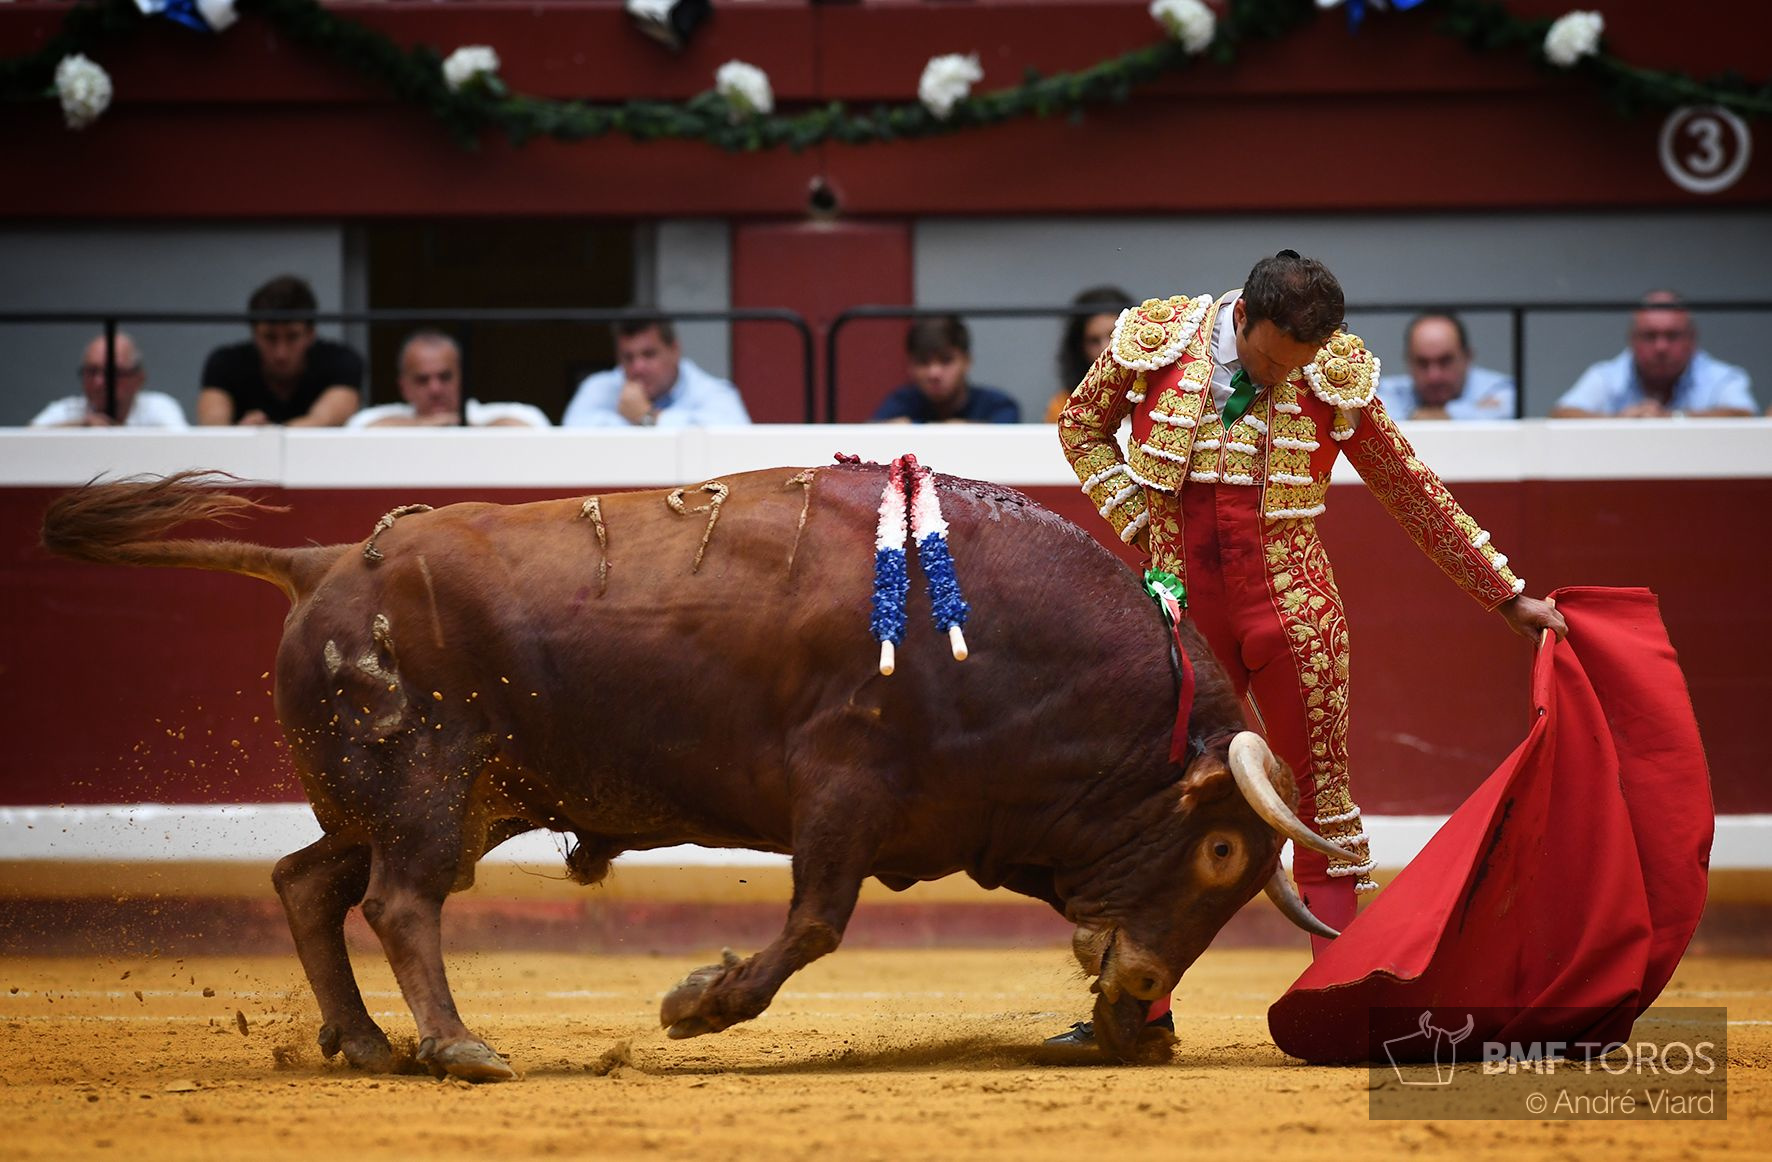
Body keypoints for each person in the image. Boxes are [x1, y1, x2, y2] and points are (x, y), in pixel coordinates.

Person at [1053, 250, 1566, 1047]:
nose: (1282, 379)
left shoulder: (1330, 369)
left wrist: (1502, 593)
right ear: (1243, 318)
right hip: (1182, 613)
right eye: (1269, 362)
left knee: (1322, 805)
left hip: (1293, 612)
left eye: (1298, 365)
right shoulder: (1158, 337)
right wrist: (1138, 521)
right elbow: (1081, 426)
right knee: (1165, 804)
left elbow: (1408, 485)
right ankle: (1139, 1014)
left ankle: (1340, 1008)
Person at [1552, 291, 1755, 418]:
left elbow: (1744, 415)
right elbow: (1562, 415)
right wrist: (1619, 422)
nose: (1661, 347)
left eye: (1672, 336)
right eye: (1650, 336)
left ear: (1692, 340)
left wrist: (1672, 418)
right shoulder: (1605, 376)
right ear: (1632, 340)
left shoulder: (1723, 377)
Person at [197, 275, 363, 427]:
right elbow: (214, 426)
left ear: (311, 334)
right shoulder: (225, 363)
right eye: (270, 337)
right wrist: (242, 433)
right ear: (254, 334)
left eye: (292, 337)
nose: (280, 353)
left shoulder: (341, 361)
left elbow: (323, 420)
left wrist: (265, 435)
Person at [561, 317, 749, 427]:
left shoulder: (714, 391)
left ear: (674, 350)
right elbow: (571, 435)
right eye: (628, 357)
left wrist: (647, 417)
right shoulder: (598, 387)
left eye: (649, 354)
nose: (638, 367)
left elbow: (734, 437)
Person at [347, 331, 550, 429]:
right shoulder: (380, 417)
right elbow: (358, 430)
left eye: (445, 377)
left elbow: (533, 426)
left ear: (463, 378)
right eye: (422, 380)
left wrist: (462, 426)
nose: (435, 389)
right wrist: (423, 424)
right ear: (404, 387)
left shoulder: (493, 414)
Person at [871, 316, 1020, 424]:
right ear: (910, 366)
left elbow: (1007, 433)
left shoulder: (998, 405)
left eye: (946, 360)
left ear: (967, 362)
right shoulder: (900, 402)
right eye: (923, 362)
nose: (934, 373)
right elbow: (869, 436)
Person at [31, 332, 186, 428]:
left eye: (112, 373)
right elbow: (27, 440)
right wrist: (81, 425)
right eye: (92, 371)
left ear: (139, 378)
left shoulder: (158, 407)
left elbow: (182, 446)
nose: (99, 382)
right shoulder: (69, 409)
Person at [1379, 312, 1516, 420]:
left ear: (1467, 357)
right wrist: (1469, 412)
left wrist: (1434, 416)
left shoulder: (1500, 388)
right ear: (1408, 361)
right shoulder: (1389, 391)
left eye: (1445, 361)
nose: (1434, 376)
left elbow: (1509, 408)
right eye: (1422, 363)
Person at [1045, 287, 1132, 424]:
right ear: (1080, 349)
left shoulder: (1160, 396)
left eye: (1113, 335)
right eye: (1093, 341)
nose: (1105, 349)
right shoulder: (1065, 406)